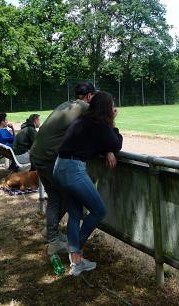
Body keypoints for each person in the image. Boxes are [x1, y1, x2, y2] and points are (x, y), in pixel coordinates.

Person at [53, 91, 123, 276]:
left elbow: (100, 143)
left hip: (60, 166)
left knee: (75, 214)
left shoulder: (84, 120)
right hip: (72, 169)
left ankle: (76, 263)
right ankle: (75, 250)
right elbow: (116, 143)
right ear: (107, 108)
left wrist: (106, 149)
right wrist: (112, 124)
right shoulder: (99, 123)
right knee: (99, 210)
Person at [29, 81, 96, 256]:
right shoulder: (83, 106)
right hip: (47, 158)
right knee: (69, 196)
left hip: (38, 155)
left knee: (55, 196)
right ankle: (53, 240)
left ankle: (50, 233)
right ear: (89, 96)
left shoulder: (68, 104)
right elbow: (101, 119)